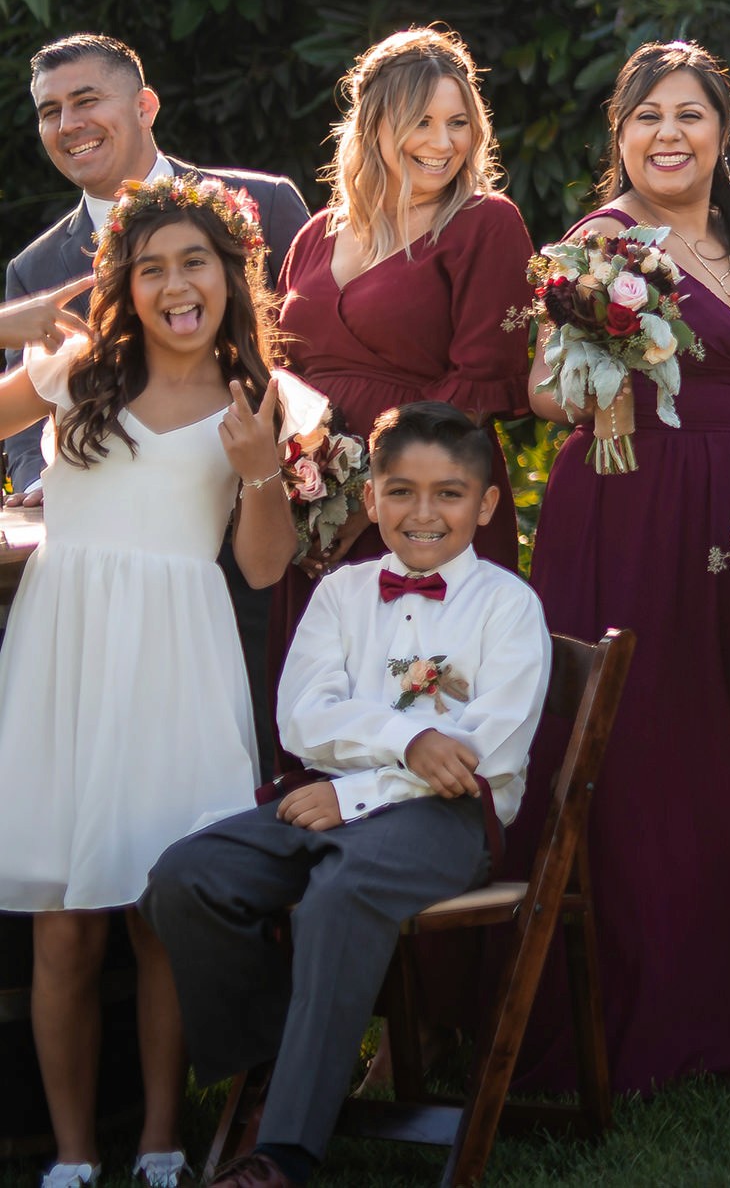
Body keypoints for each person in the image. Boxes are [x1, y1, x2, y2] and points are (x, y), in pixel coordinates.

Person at [144, 403, 550, 1188]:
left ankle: (284, 1153)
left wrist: (359, 791)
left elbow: (480, 754)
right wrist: (406, 742)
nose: (423, 514)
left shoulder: (509, 607)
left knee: (342, 890)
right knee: (184, 878)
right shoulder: (339, 594)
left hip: (445, 824)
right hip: (327, 803)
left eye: (450, 495)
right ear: (370, 500)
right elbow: (302, 717)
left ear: (488, 505)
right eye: (400, 492)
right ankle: (273, 1063)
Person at [521, 40, 730, 1092]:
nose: (668, 134)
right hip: (633, 503)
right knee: (646, 747)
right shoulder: (599, 243)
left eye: (689, 114)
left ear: (724, 135)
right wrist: (608, 348)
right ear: (621, 136)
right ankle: (634, 1017)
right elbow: (545, 389)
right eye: (646, 116)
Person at [0, 175, 297, 1188]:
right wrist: (24, 319)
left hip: (179, 659)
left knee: (161, 911)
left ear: (231, 275)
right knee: (66, 922)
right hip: (66, 657)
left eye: (195, 263)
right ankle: (75, 1154)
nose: (176, 284)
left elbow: (262, 566)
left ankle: (164, 1142)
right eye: (153, 266)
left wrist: (259, 467)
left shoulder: (263, 396)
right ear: (122, 281)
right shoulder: (77, 368)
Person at [8, 35, 311, 752]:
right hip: (73, 615)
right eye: (50, 111)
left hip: (211, 611)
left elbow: (307, 350)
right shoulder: (45, 292)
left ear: (144, 105)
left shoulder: (265, 204)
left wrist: (270, 467)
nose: (68, 123)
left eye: (86, 100)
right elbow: (25, 430)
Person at [270, 28, 535, 680]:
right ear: (374, 123)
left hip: (420, 507)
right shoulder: (313, 236)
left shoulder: (485, 224)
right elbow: (279, 372)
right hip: (311, 520)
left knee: (419, 698)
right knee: (318, 695)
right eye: (422, 121)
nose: (443, 144)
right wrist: (306, 485)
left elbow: (481, 383)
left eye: (458, 123)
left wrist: (369, 488)